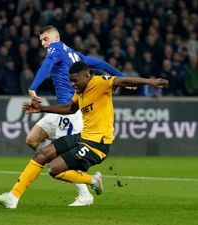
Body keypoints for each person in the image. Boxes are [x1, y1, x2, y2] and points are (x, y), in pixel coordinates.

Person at [0, 61, 168, 209]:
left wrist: (151, 82)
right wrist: (41, 108)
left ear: (86, 76)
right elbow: (70, 108)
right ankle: (13, 197)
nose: (72, 84)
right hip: (82, 137)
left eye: (75, 81)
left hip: (97, 145)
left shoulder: (100, 82)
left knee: (54, 170)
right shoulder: (79, 93)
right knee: (41, 155)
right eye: (70, 81)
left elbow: (123, 80)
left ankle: (93, 180)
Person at [25, 25, 125, 206]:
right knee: (32, 140)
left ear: (56, 37)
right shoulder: (74, 54)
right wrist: (121, 77)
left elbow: (47, 64)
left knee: (62, 159)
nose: (43, 43)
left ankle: (85, 193)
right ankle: (67, 167)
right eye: (41, 41)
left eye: (45, 39)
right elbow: (101, 64)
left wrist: (33, 87)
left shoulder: (56, 48)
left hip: (69, 112)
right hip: (60, 110)